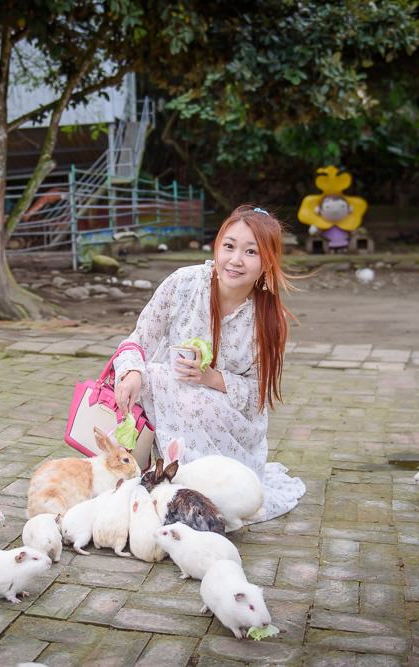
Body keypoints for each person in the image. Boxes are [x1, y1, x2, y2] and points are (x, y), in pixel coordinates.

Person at [113, 204, 306, 522]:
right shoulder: (183, 284)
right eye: (229, 246)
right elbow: (137, 340)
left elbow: (255, 397)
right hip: (164, 406)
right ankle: (143, 472)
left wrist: (210, 378)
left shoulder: (267, 319)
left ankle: (184, 486)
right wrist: (132, 373)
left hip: (228, 424)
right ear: (217, 246)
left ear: (267, 263)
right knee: (151, 376)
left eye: (250, 252)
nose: (235, 260)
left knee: (162, 377)